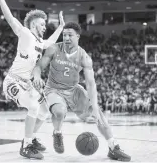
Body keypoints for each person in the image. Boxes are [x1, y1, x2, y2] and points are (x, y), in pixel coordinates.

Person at [32, 22, 131, 162]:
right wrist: (36, 76)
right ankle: (57, 133)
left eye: (70, 35)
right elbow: (38, 66)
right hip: (53, 89)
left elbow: (91, 84)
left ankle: (113, 147)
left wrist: (95, 108)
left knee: (99, 116)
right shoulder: (53, 48)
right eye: (64, 34)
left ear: (77, 36)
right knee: (59, 111)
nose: (66, 37)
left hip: (73, 89)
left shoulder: (84, 57)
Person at [0, 0, 65, 160]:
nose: (44, 27)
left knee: (44, 110)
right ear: (34, 24)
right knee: (34, 107)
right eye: (42, 24)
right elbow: (10, 17)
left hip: (27, 84)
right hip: (13, 81)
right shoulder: (25, 33)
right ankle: (26, 146)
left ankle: (31, 138)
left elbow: (50, 42)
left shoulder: (39, 42)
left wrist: (61, 27)